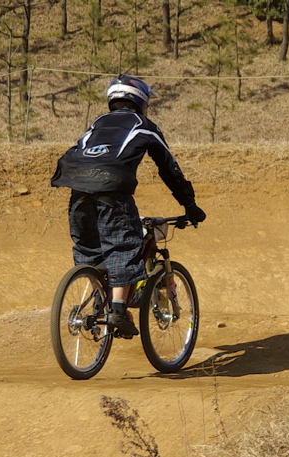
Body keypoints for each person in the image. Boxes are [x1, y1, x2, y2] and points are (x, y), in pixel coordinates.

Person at [51, 74, 206, 338]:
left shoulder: (97, 124)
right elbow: (169, 168)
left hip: (76, 187)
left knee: (90, 247)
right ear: (140, 100)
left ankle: (99, 300)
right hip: (112, 189)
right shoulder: (143, 125)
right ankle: (119, 312)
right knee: (123, 246)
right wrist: (189, 203)